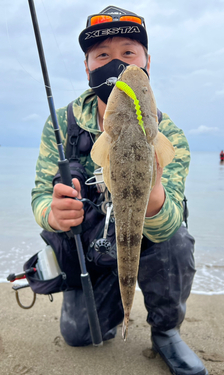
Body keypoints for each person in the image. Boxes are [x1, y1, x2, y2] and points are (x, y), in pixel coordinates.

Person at [31, 6, 207, 375]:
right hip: (94, 245)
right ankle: (116, 310)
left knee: (175, 239)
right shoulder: (62, 125)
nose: (117, 65)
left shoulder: (168, 134)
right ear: (87, 66)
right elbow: (39, 195)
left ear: (146, 62)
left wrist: (153, 194)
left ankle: (165, 330)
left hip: (146, 242)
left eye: (128, 53)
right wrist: (53, 212)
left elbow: (167, 222)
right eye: (103, 55)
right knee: (79, 334)